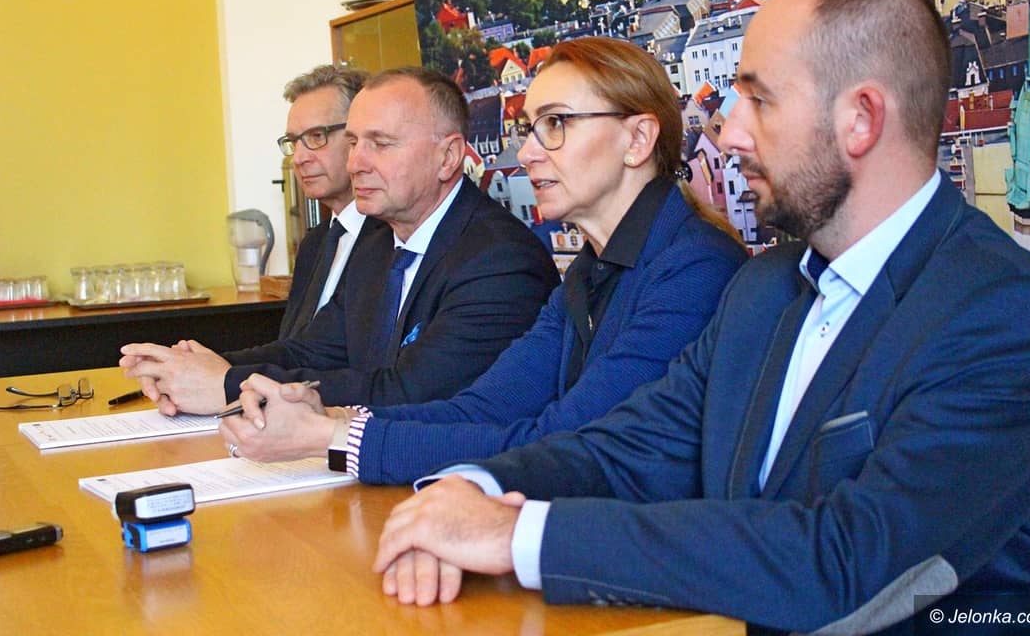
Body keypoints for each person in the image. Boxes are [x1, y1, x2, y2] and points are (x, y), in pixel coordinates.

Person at [370, 0, 1030, 633]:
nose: (730, 132)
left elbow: (846, 562)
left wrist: (518, 534)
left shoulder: (1002, 314)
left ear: (861, 119)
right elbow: (628, 448)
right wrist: (469, 490)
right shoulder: (763, 290)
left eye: (760, 101)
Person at [216, 37, 748, 483]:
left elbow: (569, 441)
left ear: (638, 139)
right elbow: (483, 407)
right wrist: (333, 418)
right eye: (530, 129)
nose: (530, 152)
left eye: (556, 124)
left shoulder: (694, 269)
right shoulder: (589, 271)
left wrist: (333, 436)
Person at [120, 68, 560, 415]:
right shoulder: (376, 243)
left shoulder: (500, 261)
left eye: (380, 144)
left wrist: (227, 384)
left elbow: (408, 392)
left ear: (448, 157)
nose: (355, 164)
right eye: (352, 143)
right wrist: (195, 365)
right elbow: (312, 350)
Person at [275, 65, 372, 339]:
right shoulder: (313, 245)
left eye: (317, 136)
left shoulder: (394, 240)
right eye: (294, 141)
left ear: (358, 137)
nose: (299, 158)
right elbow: (292, 347)